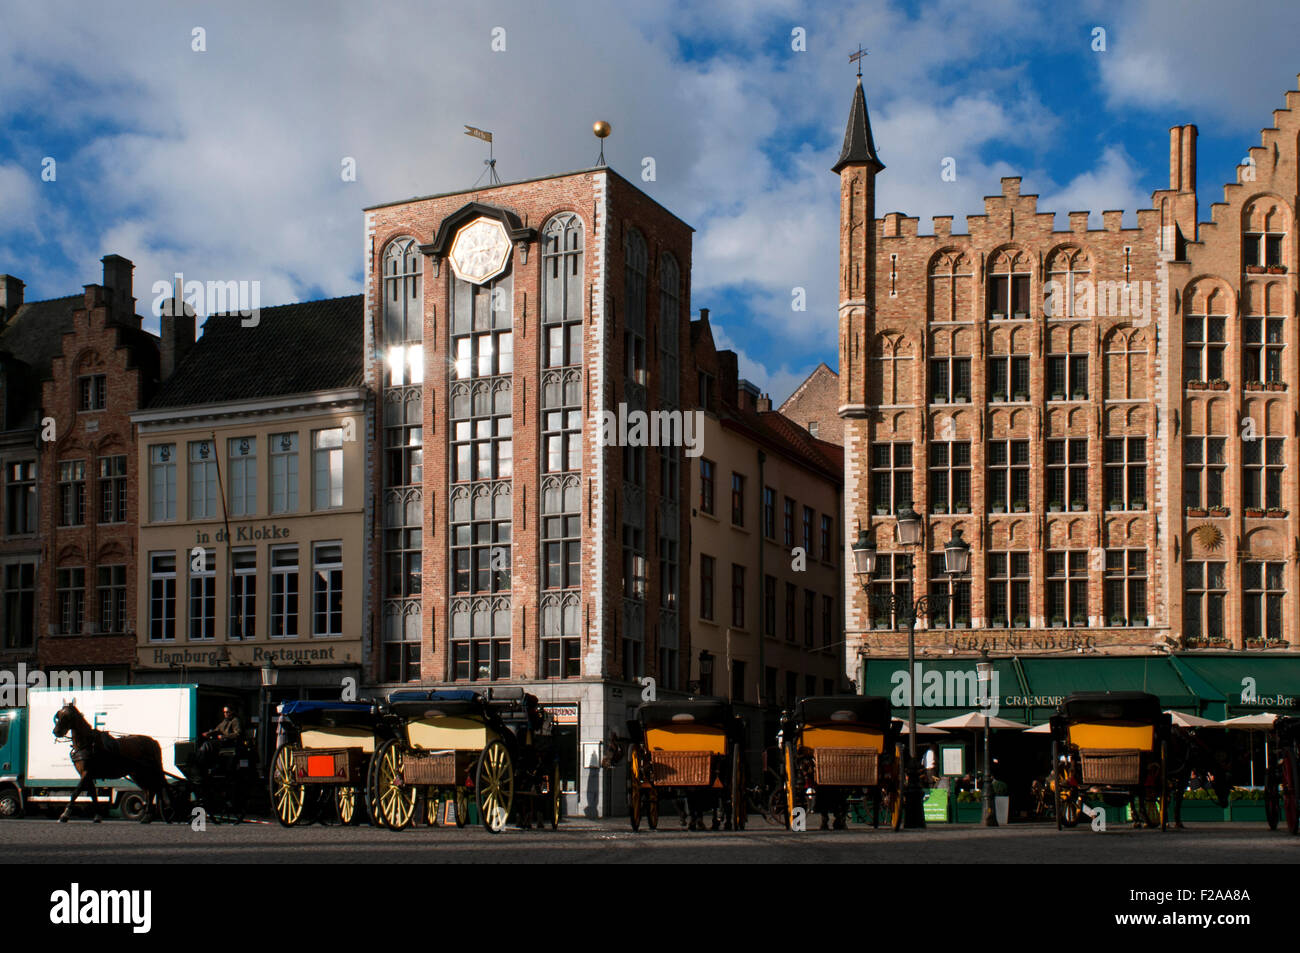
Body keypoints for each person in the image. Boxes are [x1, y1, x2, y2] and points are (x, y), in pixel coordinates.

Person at [197, 706, 242, 772]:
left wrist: (224, 737)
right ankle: (201, 763)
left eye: (227, 712)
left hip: (229, 743)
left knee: (207, 745)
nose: (225, 714)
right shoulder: (225, 721)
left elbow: (238, 734)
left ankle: (200, 766)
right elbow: (217, 729)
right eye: (224, 712)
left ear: (232, 712)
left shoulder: (236, 720)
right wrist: (209, 733)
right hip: (223, 742)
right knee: (205, 743)